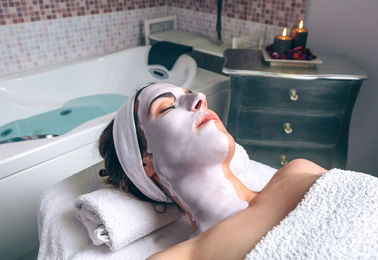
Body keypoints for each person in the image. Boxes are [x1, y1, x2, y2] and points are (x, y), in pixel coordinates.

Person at [98, 83, 328, 259]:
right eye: (167, 107)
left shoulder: (300, 171)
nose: (200, 98)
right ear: (146, 163)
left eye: (190, 92)